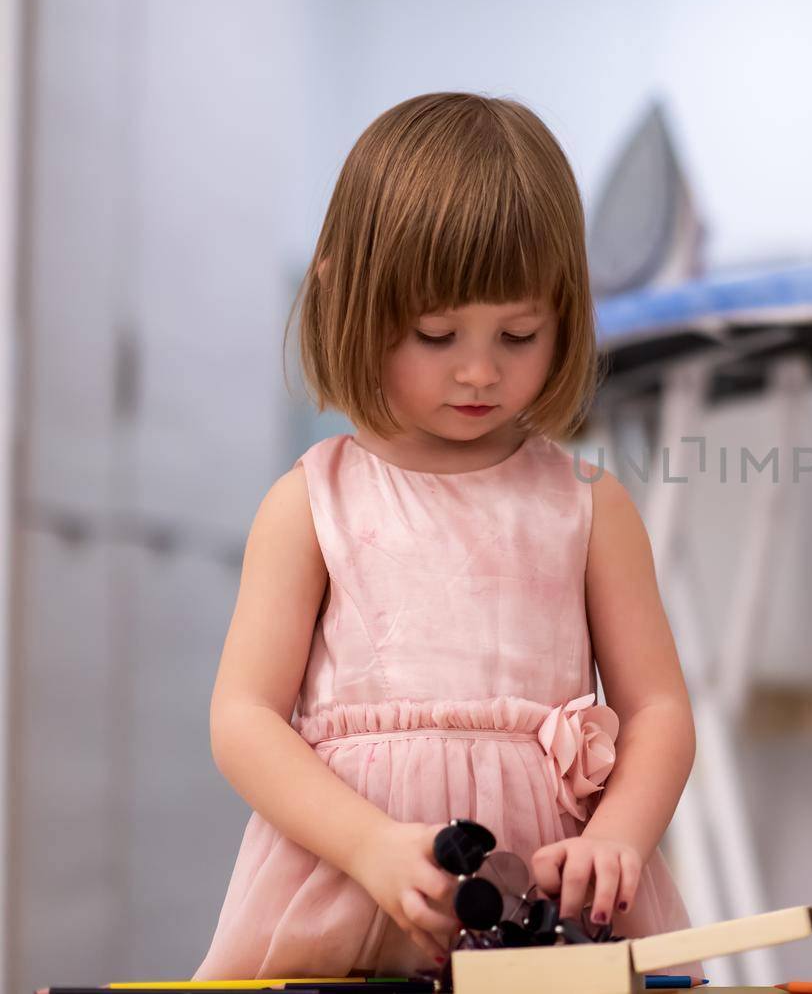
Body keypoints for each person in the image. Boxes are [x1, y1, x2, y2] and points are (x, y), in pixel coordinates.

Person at [195, 93, 696, 979]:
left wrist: (617, 837)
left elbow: (657, 707)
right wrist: (369, 845)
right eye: (436, 333)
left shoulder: (588, 504)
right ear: (346, 297)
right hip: (348, 891)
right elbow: (244, 719)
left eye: (519, 333)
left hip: (546, 913)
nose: (479, 370)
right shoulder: (311, 503)